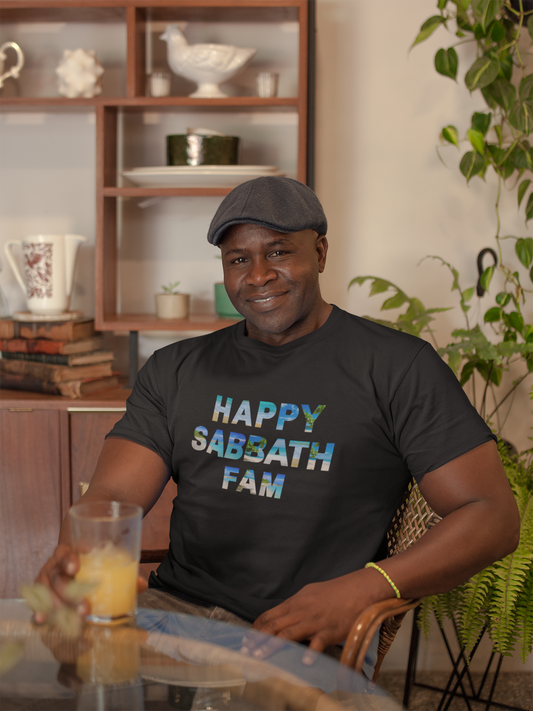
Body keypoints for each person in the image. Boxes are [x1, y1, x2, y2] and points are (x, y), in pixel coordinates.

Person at [36, 176, 519, 676]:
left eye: (280, 252)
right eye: (238, 259)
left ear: (321, 252)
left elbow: (492, 516)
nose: (258, 275)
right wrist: (76, 549)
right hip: (171, 618)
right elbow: (112, 493)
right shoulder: (175, 369)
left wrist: (365, 587)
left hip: (301, 635)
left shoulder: (397, 367)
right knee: (54, 673)